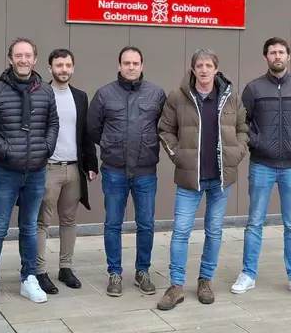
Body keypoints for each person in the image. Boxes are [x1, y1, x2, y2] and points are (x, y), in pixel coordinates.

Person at [156, 50, 249, 311]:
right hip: (190, 178)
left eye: (209, 65)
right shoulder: (178, 97)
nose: (204, 70)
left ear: (216, 69)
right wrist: (178, 156)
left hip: (220, 178)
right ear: (193, 69)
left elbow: (243, 129)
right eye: (200, 66)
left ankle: (205, 281)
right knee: (181, 231)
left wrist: (237, 153)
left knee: (214, 231)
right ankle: (176, 286)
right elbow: (165, 129)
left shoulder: (230, 97)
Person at [231, 37, 291, 299]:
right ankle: (248, 274)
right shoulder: (254, 88)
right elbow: (242, 123)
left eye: (281, 52)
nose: (277, 56)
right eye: (272, 52)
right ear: (266, 57)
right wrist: (257, 143)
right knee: (254, 222)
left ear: (288, 56)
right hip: (262, 164)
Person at [0, 38, 59, 307]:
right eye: (18, 55)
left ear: (35, 60)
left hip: (36, 171)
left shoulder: (45, 91)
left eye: (28, 55)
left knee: (30, 227)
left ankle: (29, 278)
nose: (23, 60)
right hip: (5, 171)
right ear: (10, 59)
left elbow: (53, 123)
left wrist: (46, 148)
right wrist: (4, 150)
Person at [87, 46, 166, 297]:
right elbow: (93, 128)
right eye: (126, 63)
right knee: (113, 223)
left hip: (145, 171)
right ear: (119, 66)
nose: (131, 67)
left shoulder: (156, 94)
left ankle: (143, 271)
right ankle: (115, 272)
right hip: (114, 171)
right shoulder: (104, 94)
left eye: (135, 63)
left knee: (146, 224)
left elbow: (164, 126)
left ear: (142, 66)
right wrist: (110, 145)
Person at [36, 49, 99, 294]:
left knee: (69, 220)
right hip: (47, 169)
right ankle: (39, 271)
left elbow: (86, 133)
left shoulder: (80, 96)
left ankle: (65, 268)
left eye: (68, 65)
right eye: (59, 65)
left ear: (73, 68)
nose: (64, 69)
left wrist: (91, 164)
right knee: (42, 222)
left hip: (73, 168)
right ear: (50, 68)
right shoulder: (40, 93)